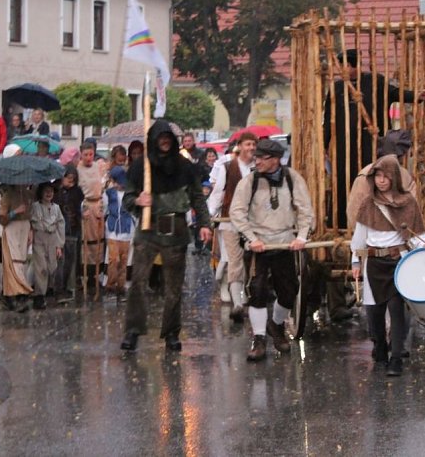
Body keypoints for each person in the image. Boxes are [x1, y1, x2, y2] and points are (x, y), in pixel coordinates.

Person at [120, 119, 212, 352]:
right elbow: (127, 199)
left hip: (176, 229)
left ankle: (171, 332)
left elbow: (197, 198)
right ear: (153, 141)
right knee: (138, 282)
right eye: (160, 139)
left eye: (168, 139)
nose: (164, 142)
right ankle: (133, 331)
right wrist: (138, 201)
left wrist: (204, 223)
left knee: (173, 287)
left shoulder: (185, 166)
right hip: (148, 229)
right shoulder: (141, 166)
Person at [230, 139, 314, 362]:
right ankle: (258, 340)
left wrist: (302, 236)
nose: (256, 160)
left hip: (285, 242)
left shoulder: (292, 178)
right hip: (258, 244)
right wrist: (251, 237)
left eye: (261, 158)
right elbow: (237, 213)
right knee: (257, 291)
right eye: (255, 157)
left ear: (275, 160)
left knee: (289, 291)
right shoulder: (250, 181)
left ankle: (275, 325)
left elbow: (305, 209)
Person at [323, 48, 425, 228]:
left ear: (354, 65)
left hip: (372, 145)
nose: (343, 68)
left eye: (346, 64)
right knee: (343, 182)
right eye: (341, 65)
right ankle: (340, 224)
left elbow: (396, 94)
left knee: (373, 181)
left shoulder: (375, 82)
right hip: (344, 146)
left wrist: (416, 97)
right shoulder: (336, 89)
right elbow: (328, 120)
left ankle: (375, 222)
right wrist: (324, 145)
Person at [351, 155, 425, 377]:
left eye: (386, 176)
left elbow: (416, 231)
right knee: (374, 312)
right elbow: (360, 235)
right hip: (375, 263)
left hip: (399, 261)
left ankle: (396, 358)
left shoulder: (408, 202)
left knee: (397, 310)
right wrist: (355, 260)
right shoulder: (368, 204)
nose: (381, 180)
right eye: (377, 175)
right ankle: (380, 347)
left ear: (394, 177)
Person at [207, 131, 258, 322]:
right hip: (230, 221)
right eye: (247, 144)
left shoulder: (258, 168)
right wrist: (211, 215)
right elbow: (218, 192)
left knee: (251, 261)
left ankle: (247, 292)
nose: (251, 148)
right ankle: (237, 303)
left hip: (253, 222)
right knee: (234, 260)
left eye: (253, 144)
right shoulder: (227, 167)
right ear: (240, 146)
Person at [0, 182, 34, 313]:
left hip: (24, 230)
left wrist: (31, 230)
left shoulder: (27, 195)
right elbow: (2, 220)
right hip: (12, 230)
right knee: (14, 262)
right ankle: (15, 294)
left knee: (22, 262)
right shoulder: (7, 196)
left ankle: (11, 294)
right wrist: (15, 212)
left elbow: (30, 215)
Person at [30, 183, 64, 310]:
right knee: (41, 268)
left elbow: (60, 226)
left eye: (51, 191)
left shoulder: (56, 208)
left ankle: (48, 289)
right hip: (39, 238)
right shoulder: (35, 207)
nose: (49, 194)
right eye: (46, 191)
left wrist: (59, 245)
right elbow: (31, 223)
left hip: (53, 239)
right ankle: (39, 296)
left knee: (51, 267)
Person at [78, 142, 105, 293]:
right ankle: (85, 277)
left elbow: (103, 185)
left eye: (91, 154)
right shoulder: (78, 169)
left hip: (98, 205)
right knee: (86, 243)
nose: (89, 157)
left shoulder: (98, 166)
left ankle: (97, 274)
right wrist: (81, 209)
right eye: (86, 155)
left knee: (98, 243)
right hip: (86, 205)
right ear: (81, 154)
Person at [53, 165, 83, 303]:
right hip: (60, 230)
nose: (70, 180)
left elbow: (80, 208)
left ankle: (66, 286)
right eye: (67, 177)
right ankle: (58, 288)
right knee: (61, 261)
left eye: (73, 178)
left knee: (70, 260)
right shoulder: (57, 192)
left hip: (73, 228)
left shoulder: (77, 192)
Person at [104, 166, 134, 300]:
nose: (115, 184)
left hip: (126, 231)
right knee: (113, 259)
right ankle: (110, 286)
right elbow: (104, 209)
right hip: (112, 231)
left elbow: (134, 211)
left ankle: (121, 288)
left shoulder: (130, 194)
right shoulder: (108, 193)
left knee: (123, 261)